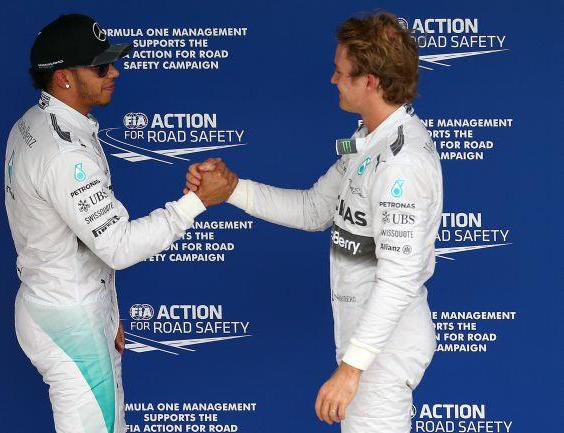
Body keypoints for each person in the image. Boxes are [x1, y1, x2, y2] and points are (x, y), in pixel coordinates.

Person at [186, 12, 442, 433]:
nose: (332, 80)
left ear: (370, 82)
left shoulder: (401, 164)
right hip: (365, 345)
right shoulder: (367, 142)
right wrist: (231, 189)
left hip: (382, 352)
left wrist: (353, 368)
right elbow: (312, 209)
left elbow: (398, 278)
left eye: (341, 73)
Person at [4, 14, 236, 433]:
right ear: (64, 78)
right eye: (100, 67)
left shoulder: (33, 122)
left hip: (59, 304)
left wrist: (106, 313)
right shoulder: (65, 153)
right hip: (69, 320)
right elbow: (119, 246)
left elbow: (76, 240)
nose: (114, 72)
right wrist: (196, 203)